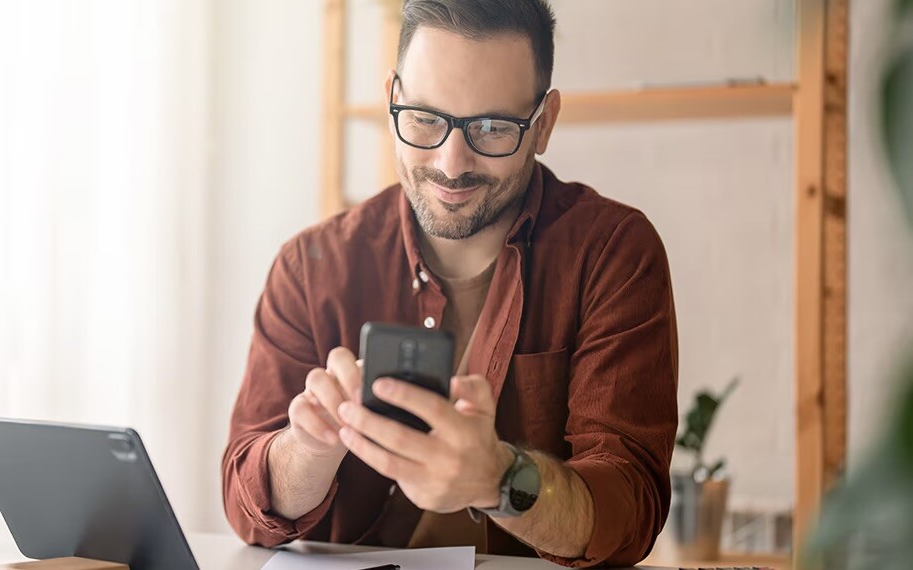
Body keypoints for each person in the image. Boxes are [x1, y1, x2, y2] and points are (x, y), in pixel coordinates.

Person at [221, 1, 678, 566]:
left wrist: (501, 479)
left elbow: (629, 510)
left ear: (544, 124)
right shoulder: (312, 267)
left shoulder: (612, 255)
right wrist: (307, 450)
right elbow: (246, 506)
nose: (451, 162)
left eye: (491, 128)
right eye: (425, 119)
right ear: (392, 96)